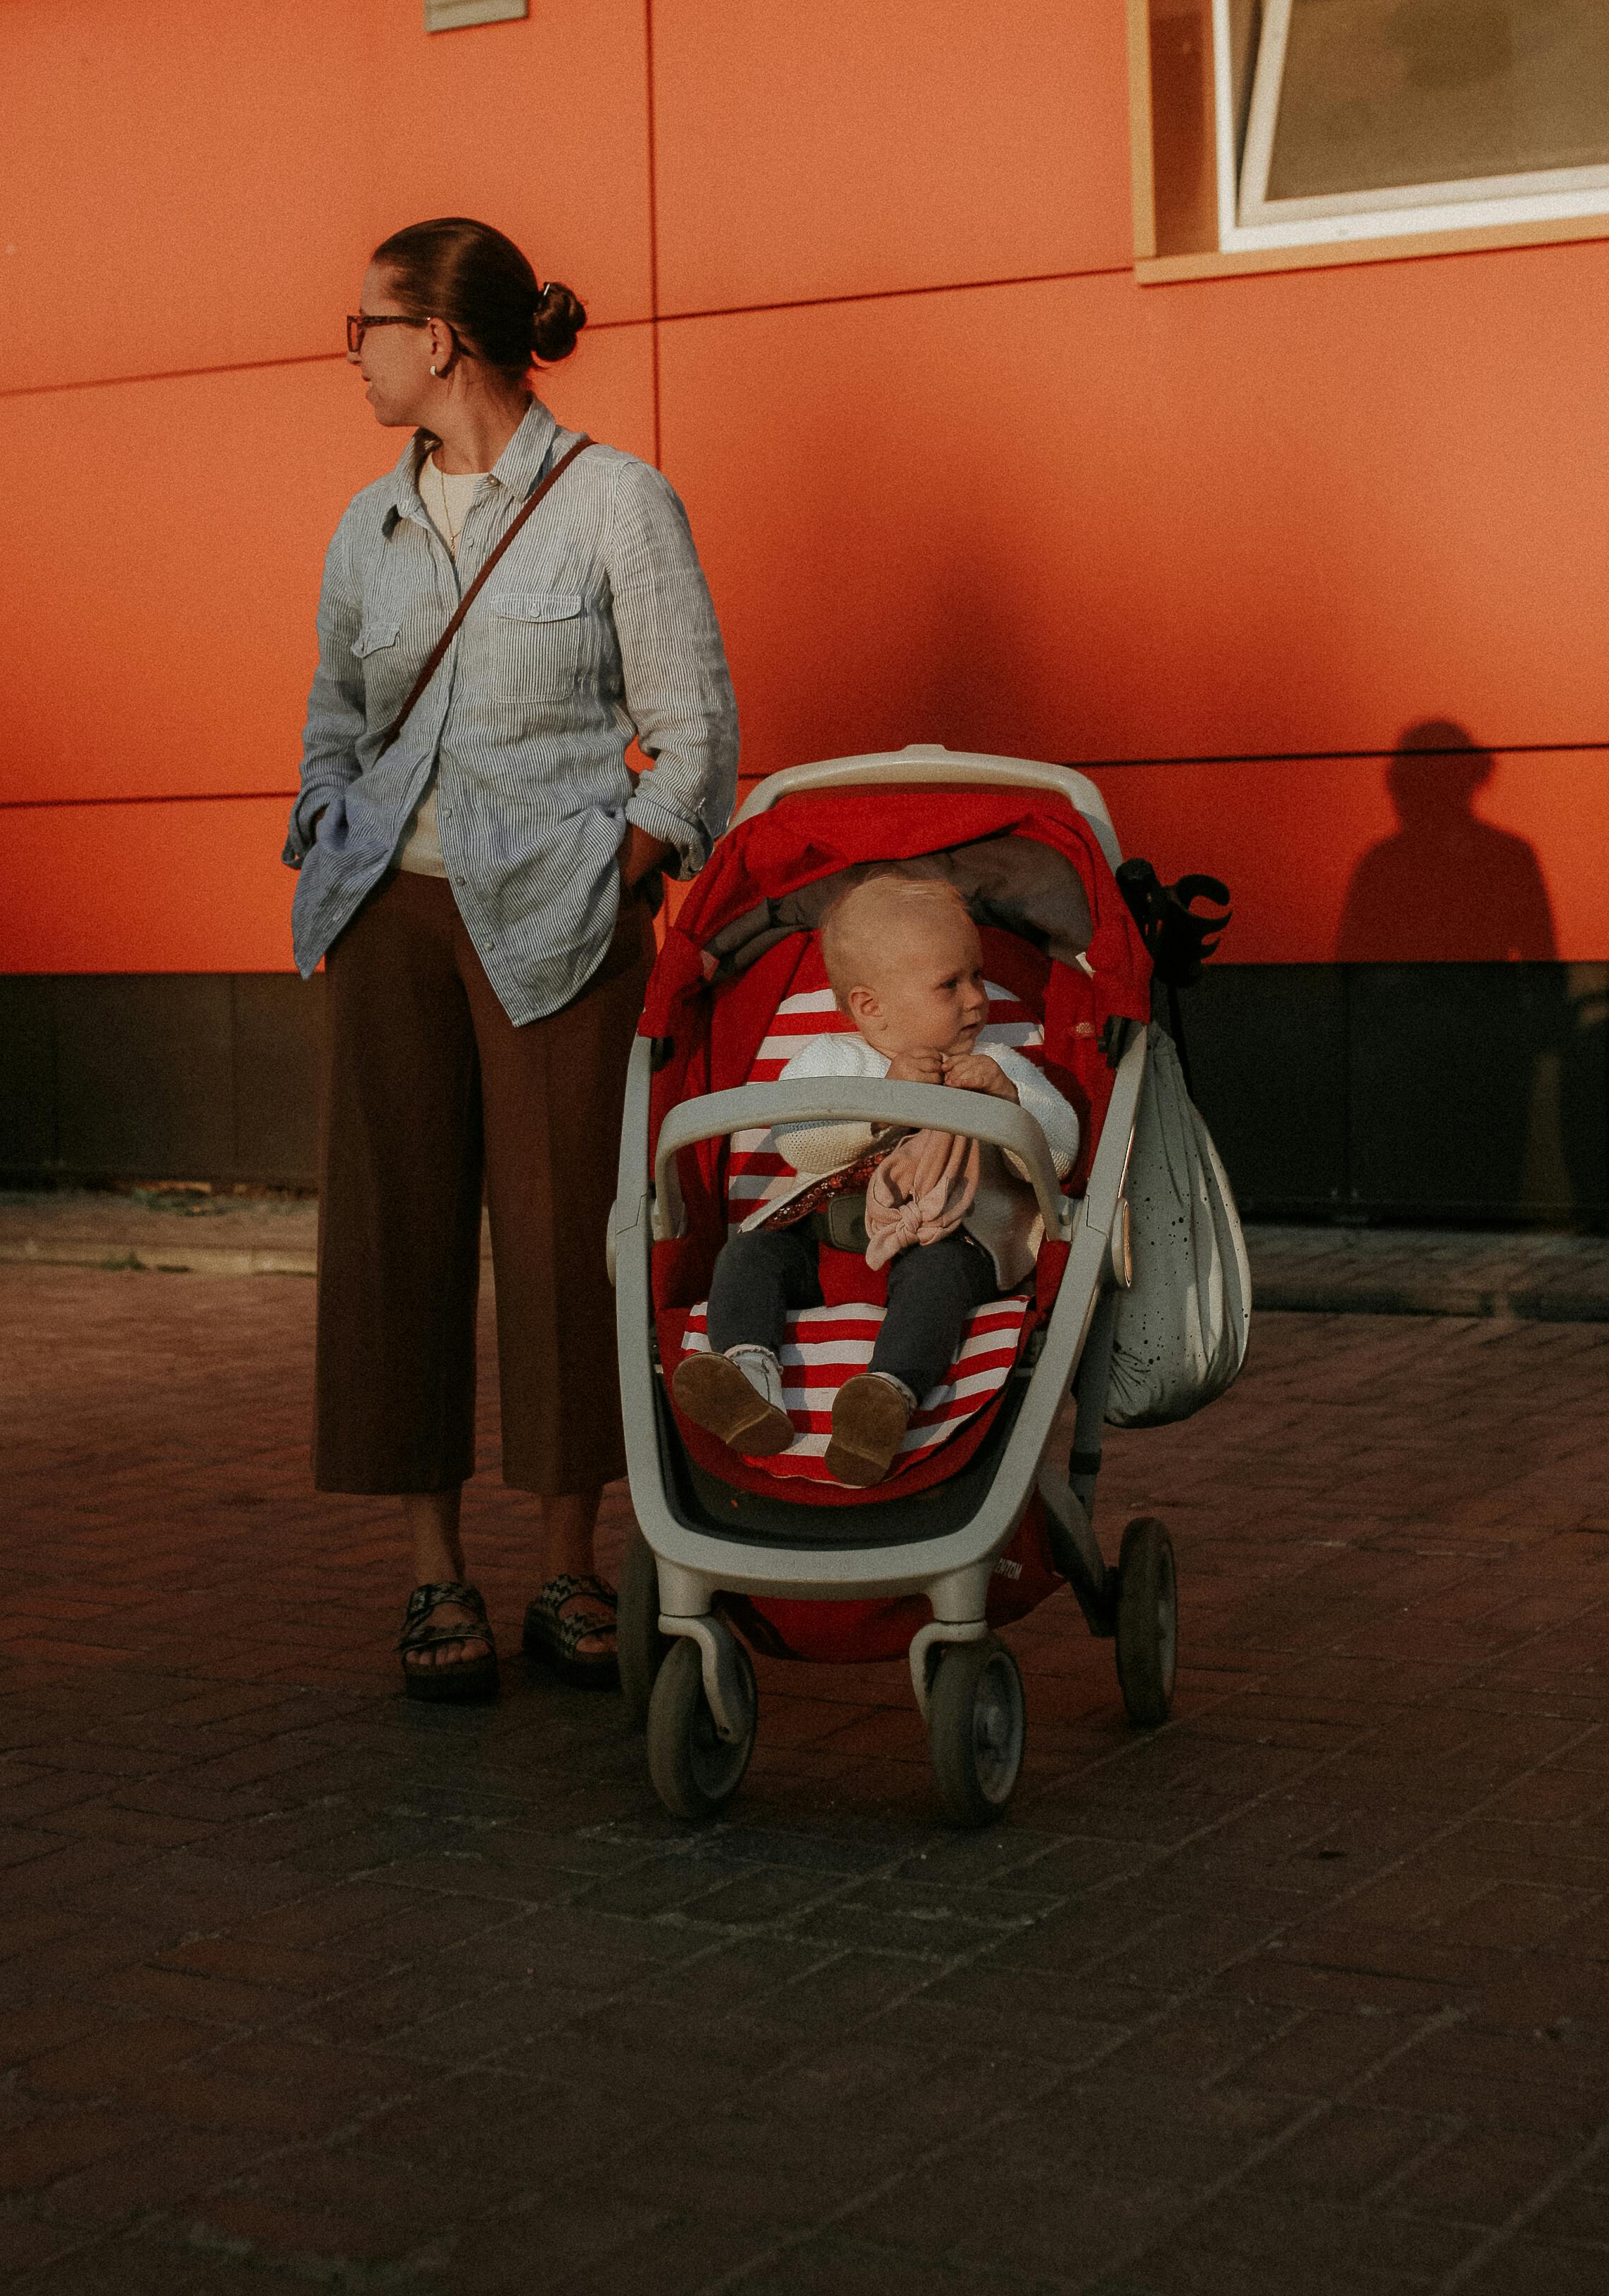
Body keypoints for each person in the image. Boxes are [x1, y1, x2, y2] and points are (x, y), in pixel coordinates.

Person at [286, 216, 738, 1699]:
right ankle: (434, 1578)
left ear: (445, 342)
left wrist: (623, 874)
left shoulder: (617, 504)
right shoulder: (369, 524)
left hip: (563, 924)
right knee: (396, 1236)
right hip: (391, 924)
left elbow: (693, 731)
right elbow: (333, 713)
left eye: (370, 326)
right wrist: (324, 821)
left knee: (565, 1242)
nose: (352, 353)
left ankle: (569, 1566)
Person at [670, 872, 1078, 1486]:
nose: (977, 998)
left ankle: (886, 1398)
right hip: (825, 1234)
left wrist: (1012, 1104)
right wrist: (881, 1102)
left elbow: (1060, 1153)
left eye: (977, 975)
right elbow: (801, 1142)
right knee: (749, 1255)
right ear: (870, 1007)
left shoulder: (998, 1063)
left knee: (939, 1279)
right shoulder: (831, 1062)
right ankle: (748, 1378)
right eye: (950, 984)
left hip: (943, 1235)